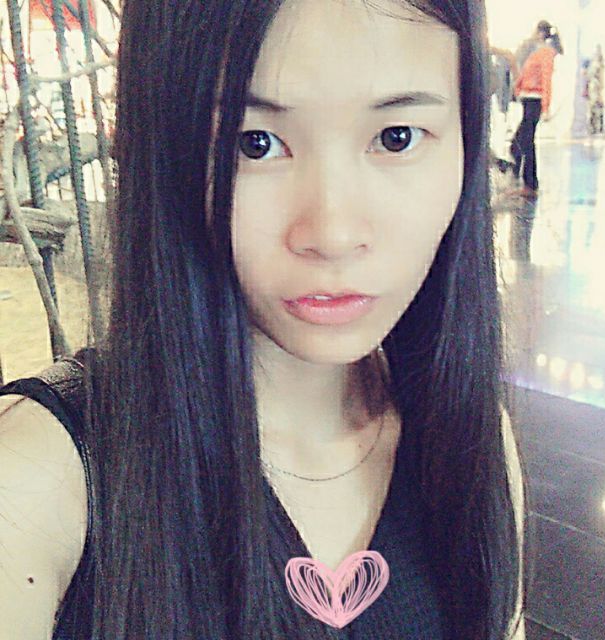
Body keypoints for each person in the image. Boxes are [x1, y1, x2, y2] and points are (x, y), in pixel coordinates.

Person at [0, 1, 526, 639]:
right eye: (255, 144)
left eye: (397, 137)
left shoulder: (471, 439)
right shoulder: (34, 485)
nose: (332, 234)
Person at [508, 20, 562, 198]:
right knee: (520, 141)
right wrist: (518, 89)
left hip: (534, 100)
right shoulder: (538, 51)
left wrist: (546, 106)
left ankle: (530, 183)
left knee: (526, 141)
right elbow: (525, 73)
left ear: (541, 33)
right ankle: (519, 174)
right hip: (528, 99)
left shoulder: (545, 53)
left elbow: (546, 79)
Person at [584, 45, 605, 137]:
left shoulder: (599, 65)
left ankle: (598, 128)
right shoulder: (592, 64)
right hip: (592, 87)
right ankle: (593, 128)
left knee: (598, 107)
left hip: (596, 87)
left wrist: (600, 89)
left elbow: (601, 77)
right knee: (592, 107)